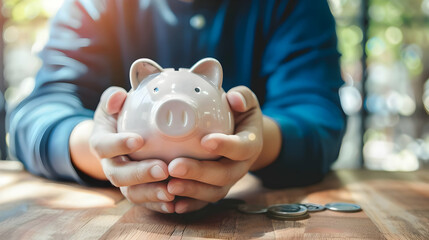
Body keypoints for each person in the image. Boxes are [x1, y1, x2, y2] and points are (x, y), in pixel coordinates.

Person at [7, 0, 346, 214]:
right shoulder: (93, 6)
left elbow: (319, 119)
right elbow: (35, 116)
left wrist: (251, 144)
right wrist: (101, 148)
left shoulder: (295, 5)